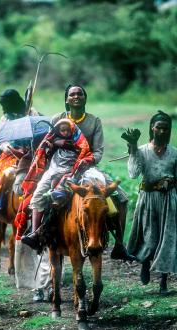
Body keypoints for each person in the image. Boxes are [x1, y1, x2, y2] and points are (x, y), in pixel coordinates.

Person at [52, 84, 133, 262]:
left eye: (80, 94)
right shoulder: (57, 119)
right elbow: (49, 142)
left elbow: (98, 151)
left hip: (88, 168)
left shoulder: (94, 121)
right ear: (67, 99)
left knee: (121, 196)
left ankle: (119, 244)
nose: (76, 96)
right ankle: (41, 233)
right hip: (61, 167)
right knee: (44, 196)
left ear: (85, 98)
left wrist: (87, 160)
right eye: (72, 94)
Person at [20, 118, 94, 249]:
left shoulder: (78, 143)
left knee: (57, 198)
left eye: (67, 130)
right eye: (62, 130)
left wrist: (62, 143)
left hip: (70, 173)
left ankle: (45, 229)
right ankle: (34, 232)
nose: (65, 132)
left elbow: (83, 151)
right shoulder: (54, 142)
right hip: (51, 172)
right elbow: (43, 153)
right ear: (58, 131)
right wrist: (51, 145)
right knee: (37, 195)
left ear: (72, 130)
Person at [125, 111, 177, 294]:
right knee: (149, 236)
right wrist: (132, 147)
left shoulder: (174, 153)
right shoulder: (143, 150)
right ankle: (145, 264)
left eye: (165, 128)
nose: (162, 131)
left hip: (168, 201)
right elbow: (133, 173)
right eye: (158, 128)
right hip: (148, 200)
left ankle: (163, 282)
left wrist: (170, 182)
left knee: (168, 239)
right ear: (152, 128)